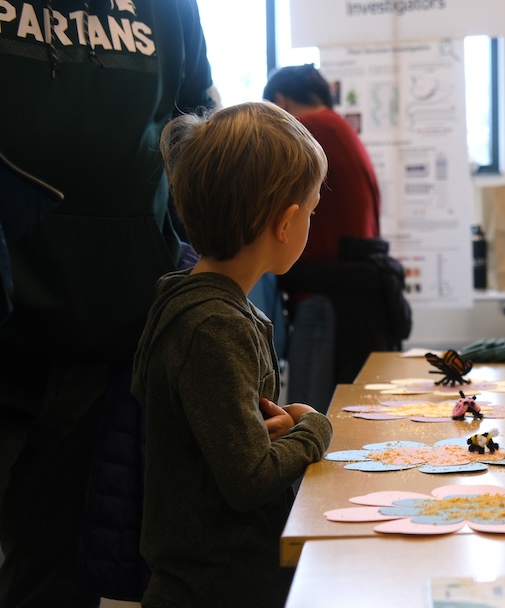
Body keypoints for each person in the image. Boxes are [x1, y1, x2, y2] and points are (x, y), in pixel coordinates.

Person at [0, 2, 215, 605]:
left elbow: (197, 121)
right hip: (8, 311)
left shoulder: (171, 9)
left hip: (109, 325)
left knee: (56, 569)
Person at [132, 101, 334, 607]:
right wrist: (314, 428)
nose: (310, 221)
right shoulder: (214, 327)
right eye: (312, 209)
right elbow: (250, 478)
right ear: (286, 222)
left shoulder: (198, 305)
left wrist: (275, 428)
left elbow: (227, 438)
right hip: (216, 586)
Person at [263, 64, 410, 413]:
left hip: (326, 298)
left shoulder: (307, 131)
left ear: (281, 101)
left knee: (306, 420)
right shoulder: (341, 129)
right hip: (355, 296)